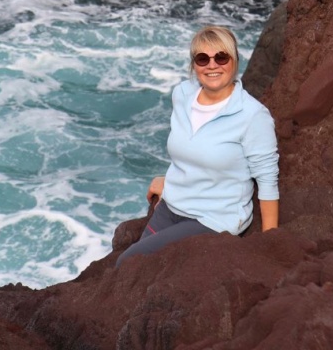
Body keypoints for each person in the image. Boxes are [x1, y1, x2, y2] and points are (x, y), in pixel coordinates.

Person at [116, 25, 279, 267]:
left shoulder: (253, 115)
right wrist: (169, 181)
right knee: (135, 273)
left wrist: (269, 244)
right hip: (171, 207)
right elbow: (189, 149)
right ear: (194, 65)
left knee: (128, 263)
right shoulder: (182, 95)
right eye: (203, 58)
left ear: (235, 60)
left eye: (221, 57)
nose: (212, 65)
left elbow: (267, 180)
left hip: (213, 219)